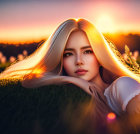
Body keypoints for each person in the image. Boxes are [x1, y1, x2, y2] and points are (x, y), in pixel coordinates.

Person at [0, 18, 140, 119]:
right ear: (60, 59)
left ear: (100, 55)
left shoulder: (123, 85)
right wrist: (74, 81)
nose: (79, 61)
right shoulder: (72, 94)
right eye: (68, 54)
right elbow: (29, 81)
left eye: (87, 51)